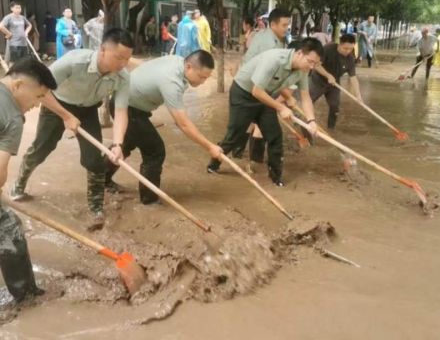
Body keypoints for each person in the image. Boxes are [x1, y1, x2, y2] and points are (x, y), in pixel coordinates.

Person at [10, 29, 133, 231]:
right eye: (119, 57)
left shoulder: (123, 77)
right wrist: (66, 115)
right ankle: (19, 184)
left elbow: (120, 111)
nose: (123, 64)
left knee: (94, 159)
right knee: (42, 148)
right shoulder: (75, 61)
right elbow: (41, 88)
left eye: (127, 59)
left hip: (87, 110)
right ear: (103, 50)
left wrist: (118, 143)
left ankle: (95, 208)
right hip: (56, 104)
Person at [105, 50, 222, 203]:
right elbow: (183, 124)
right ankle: (149, 201)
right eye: (201, 77)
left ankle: (100, 179)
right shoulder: (172, 81)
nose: (203, 82)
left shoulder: (178, 61)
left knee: (125, 145)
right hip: (126, 107)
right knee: (155, 151)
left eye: (206, 78)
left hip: (132, 104)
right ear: (188, 67)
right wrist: (210, 147)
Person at [207, 38, 323, 186]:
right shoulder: (274, 60)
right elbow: (256, 91)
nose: (312, 67)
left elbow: (305, 97)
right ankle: (213, 165)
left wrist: (311, 121)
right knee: (235, 134)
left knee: (275, 136)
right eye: (310, 61)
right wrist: (280, 107)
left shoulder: (302, 70)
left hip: (265, 95)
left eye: (315, 64)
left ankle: (276, 177)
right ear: (299, 53)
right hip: (243, 93)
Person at [0, 59, 60, 304]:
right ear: (18, 85)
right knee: (8, 228)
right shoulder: (13, 117)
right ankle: (26, 298)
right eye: (38, 96)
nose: (37, 105)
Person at [232, 8, 291, 163]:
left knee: (251, 121)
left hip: (254, 82)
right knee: (255, 121)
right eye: (284, 25)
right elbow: (271, 74)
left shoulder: (275, 38)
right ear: (273, 24)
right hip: (252, 84)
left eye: (288, 25)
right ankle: (251, 158)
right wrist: (287, 97)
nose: (287, 28)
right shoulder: (270, 43)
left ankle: (242, 155)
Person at [309, 33, 362, 129]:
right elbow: (316, 65)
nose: (348, 51)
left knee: (335, 107)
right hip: (318, 80)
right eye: (345, 48)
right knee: (309, 101)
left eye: (350, 49)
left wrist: (358, 95)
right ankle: (300, 121)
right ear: (339, 44)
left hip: (334, 84)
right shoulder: (328, 49)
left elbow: (353, 78)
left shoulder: (350, 58)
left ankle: (331, 129)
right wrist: (328, 75)